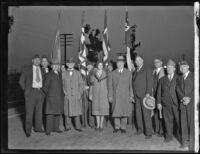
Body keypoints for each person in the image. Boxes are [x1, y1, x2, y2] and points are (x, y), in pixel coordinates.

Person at [19, 54, 45, 137]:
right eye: (35, 59)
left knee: (39, 112)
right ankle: (28, 131)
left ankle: (38, 128)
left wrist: (42, 92)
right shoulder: (26, 69)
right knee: (29, 113)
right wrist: (27, 91)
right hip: (31, 93)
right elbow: (21, 81)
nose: (37, 61)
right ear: (32, 60)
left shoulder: (42, 70)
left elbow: (44, 82)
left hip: (39, 92)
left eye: (39, 60)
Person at [108, 56, 134, 134]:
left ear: (124, 63)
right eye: (118, 63)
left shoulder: (128, 73)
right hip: (116, 96)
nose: (119, 64)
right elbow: (110, 85)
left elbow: (130, 85)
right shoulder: (112, 73)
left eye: (121, 63)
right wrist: (110, 96)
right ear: (116, 64)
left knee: (124, 113)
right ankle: (117, 127)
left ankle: (123, 127)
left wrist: (131, 95)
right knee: (116, 112)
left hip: (125, 95)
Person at [157, 59, 180, 142]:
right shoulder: (162, 79)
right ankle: (168, 137)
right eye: (168, 67)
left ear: (174, 69)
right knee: (167, 121)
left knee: (178, 120)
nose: (169, 69)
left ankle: (180, 137)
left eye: (171, 67)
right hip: (165, 103)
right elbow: (159, 92)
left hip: (176, 103)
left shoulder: (179, 78)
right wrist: (159, 103)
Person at [132, 55, 153, 139]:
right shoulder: (136, 71)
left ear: (142, 61)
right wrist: (133, 94)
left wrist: (148, 92)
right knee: (138, 114)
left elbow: (150, 81)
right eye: (136, 60)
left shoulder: (147, 69)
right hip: (136, 96)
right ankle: (140, 129)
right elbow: (133, 83)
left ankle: (148, 133)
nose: (137, 62)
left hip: (145, 95)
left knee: (146, 114)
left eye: (139, 60)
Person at [42, 59, 64, 135]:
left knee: (58, 113)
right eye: (54, 65)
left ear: (58, 66)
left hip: (59, 97)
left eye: (57, 65)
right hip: (51, 98)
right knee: (50, 114)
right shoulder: (48, 74)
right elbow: (44, 87)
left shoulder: (60, 74)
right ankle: (48, 130)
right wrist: (50, 94)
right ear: (51, 66)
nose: (55, 66)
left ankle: (56, 128)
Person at [62, 57, 84, 132]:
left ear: (74, 64)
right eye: (69, 63)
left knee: (77, 112)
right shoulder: (63, 73)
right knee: (67, 111)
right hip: (67, 96)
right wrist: (63, 91)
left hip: (76, 96)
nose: (70, 64)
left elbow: (81, 84)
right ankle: (68, 126)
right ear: (67, 64)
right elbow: (60, 84)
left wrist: (79, 93)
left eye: (72, 63)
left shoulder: (78, 73)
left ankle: (78, 126)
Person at [176, 61, 194, 151]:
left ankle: (192, 144)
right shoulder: (179, 78)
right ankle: (184, 143)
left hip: (191, 104)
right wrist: (183, 98)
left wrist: (189, 98)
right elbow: (177, 89)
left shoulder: (194, 75)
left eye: (183, 66)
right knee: (183, 124)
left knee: (192, 125)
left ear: (188, 66)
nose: (182, 68)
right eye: (180, 67)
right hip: (183, 104)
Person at [90, 61, 109, 131]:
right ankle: (97, 125)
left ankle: (101, 124)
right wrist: (90, 94)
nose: (100, 66)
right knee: (96, 110)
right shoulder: (93, 75)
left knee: (103, 110)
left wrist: (108, 94)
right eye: (99, 65)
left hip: (104, 94)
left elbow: (108, 85)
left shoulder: (106, 74)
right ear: (97, 66)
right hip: (96, 94)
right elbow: (91, 86)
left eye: (101, 65)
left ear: (103, 66)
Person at [152, 57, 165, 137]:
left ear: (161, 63)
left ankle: (162, 131)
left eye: (158, 62)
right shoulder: (153, 71)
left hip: (161, 96)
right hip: (154, 96)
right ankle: (157, 129)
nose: (156, 63)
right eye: (155, 62)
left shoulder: (164, 71)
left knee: (161, 114)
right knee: (156, 113)